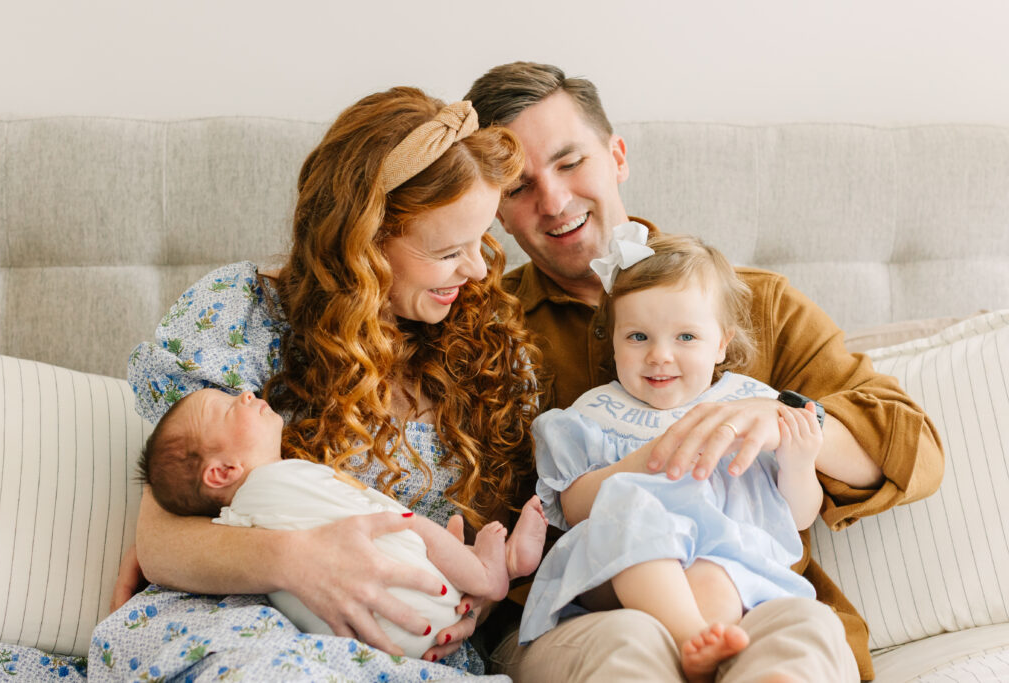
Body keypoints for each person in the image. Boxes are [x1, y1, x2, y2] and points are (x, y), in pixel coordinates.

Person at [464, 62, 943, 681]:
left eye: (570, 162)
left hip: (752, 595)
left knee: (807, 634)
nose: (553, 201)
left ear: (617, 156)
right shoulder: (480, 335)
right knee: (630, 644)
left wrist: (785, 425)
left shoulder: (756, 304)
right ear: (493, 209)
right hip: (585, 614)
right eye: (519, 187)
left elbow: (916, 448)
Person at [119, 87, 543, 676]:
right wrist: (299, 562)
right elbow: (160, 540)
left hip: (402, 643)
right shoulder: (242, 316)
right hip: (248, 620)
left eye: (481, 242)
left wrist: (473, 596)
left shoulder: (488, 351)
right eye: (449, 251)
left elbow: (492, 550)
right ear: (362, 244)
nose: (475, 270)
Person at [520, 227, 828, 683]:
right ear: (614, 341)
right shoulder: (598, 412)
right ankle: (692, 638)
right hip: (620, 569)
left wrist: (799, 462)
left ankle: (711, 651)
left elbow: (797, 517)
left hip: (719, 565)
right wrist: (641, 463)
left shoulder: (746, 406)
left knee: (719, 569)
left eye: (686, 337)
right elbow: (572, 507)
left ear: (722, 342)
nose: (660, 356)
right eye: (638, 337)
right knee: (631, 507)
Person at [138, 386, 548, 660]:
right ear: (221, 471)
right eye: (228, 408)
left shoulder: (232, 523)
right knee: (410, 525)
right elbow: (366, 503)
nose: (245, 394)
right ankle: (494, 571)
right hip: (426, 615)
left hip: (368, 641)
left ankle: (489, 568)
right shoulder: (285, 476)